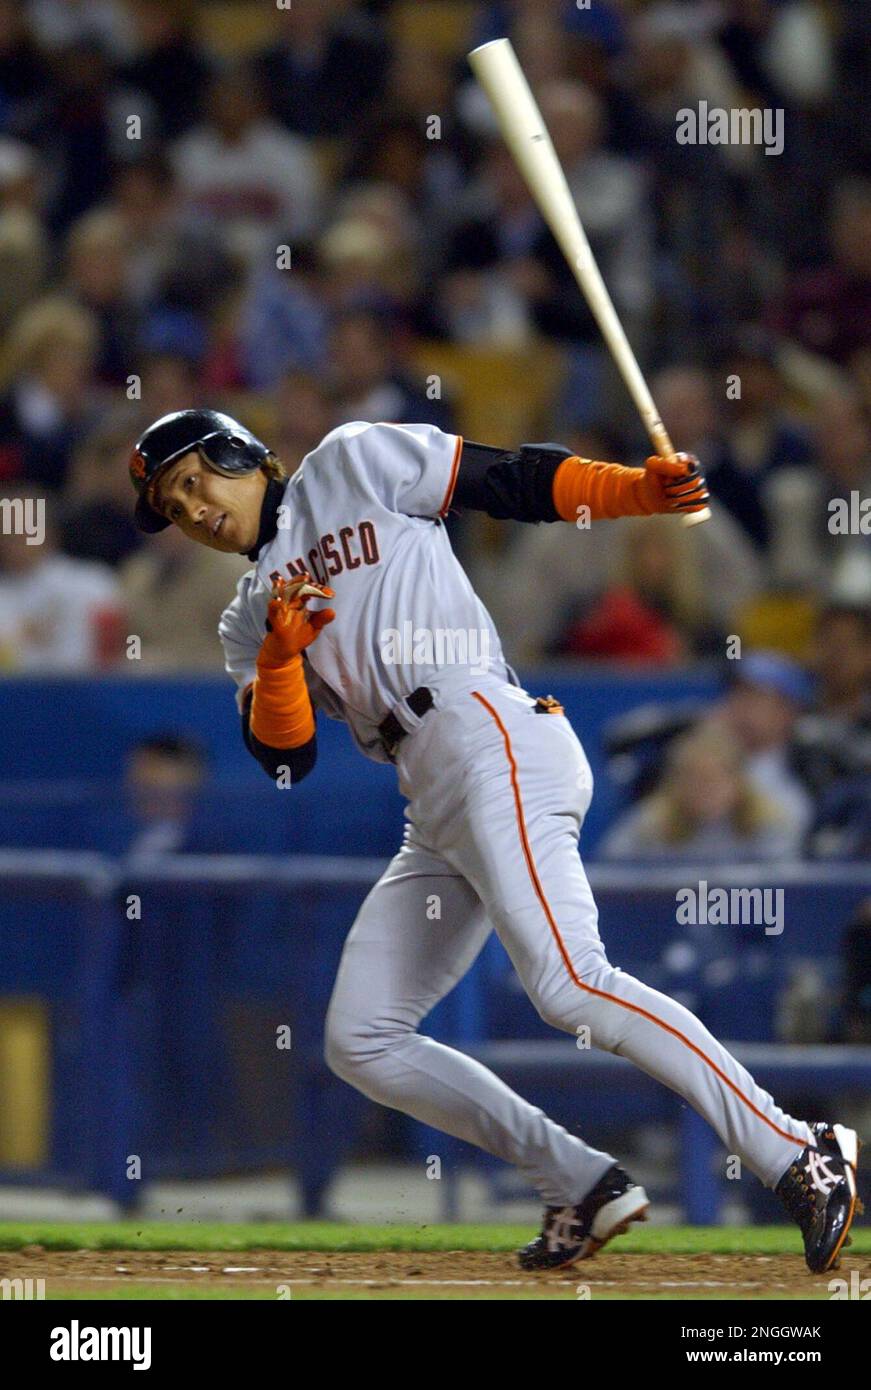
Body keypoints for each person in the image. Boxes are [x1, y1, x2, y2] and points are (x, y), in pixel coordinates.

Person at [125, 406, 859, 1274]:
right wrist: (284, 657)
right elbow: (285, 757)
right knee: (362, 1040)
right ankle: (579, 1183)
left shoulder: (350, 462)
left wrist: (633, 493)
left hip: (487, 732)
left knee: (570, 982)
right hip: (430, 793)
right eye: (173, 504)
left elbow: (506, 478)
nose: (193, 507)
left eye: (195, 478)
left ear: (240, 453)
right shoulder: (248, 617)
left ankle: (795, 1149)